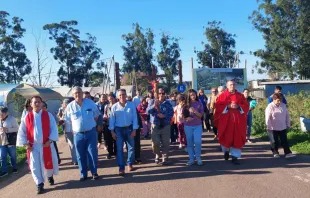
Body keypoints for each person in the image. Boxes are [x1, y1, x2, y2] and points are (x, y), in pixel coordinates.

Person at [17, 96, 59, 194]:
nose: (37, 104)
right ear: (31, 104)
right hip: (33, 146)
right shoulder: (27, 117)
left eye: (39, 102)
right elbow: (21, 132)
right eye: (35, 102)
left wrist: (50, 140)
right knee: (35, 165)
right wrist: (25, 144)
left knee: (48, 162)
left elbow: (54, 129)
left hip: (46, 144)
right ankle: (39, 184)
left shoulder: (48, 115)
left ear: (41, 103)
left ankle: (49, 176)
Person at [65, 87, 100, 181]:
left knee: (92, 153)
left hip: (91, 133)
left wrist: (90, 124)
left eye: (79, 92)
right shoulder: (70, 106)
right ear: (73, 95)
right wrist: (77, 127)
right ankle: (83, 174)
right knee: (80, 155)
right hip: (78, 135)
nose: (78, 94)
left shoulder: (90, 103)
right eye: (75, 93)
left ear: (82, 93)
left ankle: (94, 172)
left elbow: (96, 115)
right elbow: (68, 120)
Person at [214, 80, 249, 165]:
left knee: (237, 138)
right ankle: (226, 151)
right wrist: (228, 106)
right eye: (230, 85)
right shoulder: (222, 96)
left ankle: (235, 157)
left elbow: (246, 106)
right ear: (227, 86)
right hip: (226, 122)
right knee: (226, 137)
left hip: (237, 122)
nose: (232, 86)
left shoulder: (240, 96)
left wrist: (238, 106)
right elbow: (218, 106)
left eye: (233, 84)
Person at [109, 89, 138, 176]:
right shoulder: (114, 107)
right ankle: (121, 168)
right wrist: (112, 132)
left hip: (129, 128)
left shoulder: (131, 105)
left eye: (123, 94)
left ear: (126, 95)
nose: (122, 96)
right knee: (119, 149)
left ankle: (129, 163)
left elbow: (135, 117)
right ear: (117, 97)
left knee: (131, 148)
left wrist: (134, 129)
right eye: (120, 95)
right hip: (118, 130)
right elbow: (111, 120)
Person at [148, 88, 174, 165]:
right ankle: (157, 154)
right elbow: (148, 111)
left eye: (163, 93)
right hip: (155, 125)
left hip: (165, 125)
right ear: (157, 94)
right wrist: (154, 105)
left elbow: (171, 113)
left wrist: (164, 116)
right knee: (155, 143)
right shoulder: (152, 101)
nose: (161, 95)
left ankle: (164, 156)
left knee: (166, 143)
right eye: (160, 93)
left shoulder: (168, 103)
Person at [265, 93, 295, 159]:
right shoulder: (270, 106)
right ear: (274, 99)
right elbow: (267, 118)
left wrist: (288, 124)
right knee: (274, 141)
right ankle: (275, 152)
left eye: (280, 100)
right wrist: (268, 126)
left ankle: (287, 153)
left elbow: (287, 116)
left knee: (284, 140)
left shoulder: (283, 105)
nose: (279, 101)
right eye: (278, 100)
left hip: (282, 126)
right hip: (273, 127)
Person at [182, 89, 204, 166]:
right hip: (188, 126)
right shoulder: (185, 105)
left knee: (198, 142)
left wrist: (195, 111)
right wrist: (186, 118)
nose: (193, 96)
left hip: (197, 125)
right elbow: (182, 117)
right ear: (188, 96)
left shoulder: (199, 104)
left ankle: (198, 157)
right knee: (190, 143)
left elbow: (201, 116)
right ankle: (191, 159)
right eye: (191, 95)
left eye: (194, 94)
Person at [0, 107, 19, 177]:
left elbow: (17, 128)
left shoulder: (12, 119)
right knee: (2, 156)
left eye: (2, 114)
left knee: (12, 156)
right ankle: (4, 171)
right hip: (1, 141)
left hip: (10, 140)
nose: (0, 115)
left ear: (6, 113)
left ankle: (14, 167)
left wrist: (7, 129)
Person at [61, 99, 77, 165]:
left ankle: (77, 159)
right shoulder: (64, 111)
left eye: (67, 104)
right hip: (68, 130)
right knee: (71, 145)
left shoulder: (74, 110)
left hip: (75, 130)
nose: (65, 105)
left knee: (76, 145)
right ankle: (74, 160)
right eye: (65, 104)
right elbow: (64, 119)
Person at [103, 93, 117, 159]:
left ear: (114, 98)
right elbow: (104, 114)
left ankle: (117, 152)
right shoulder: (106, 106)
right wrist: (105, 117)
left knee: (116, 139)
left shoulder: (117, 105)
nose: (110, 100)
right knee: (109, 139)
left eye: (111, 98)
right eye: (109, 99)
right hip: (108, 124)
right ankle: (110, 152)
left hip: (116, 125)